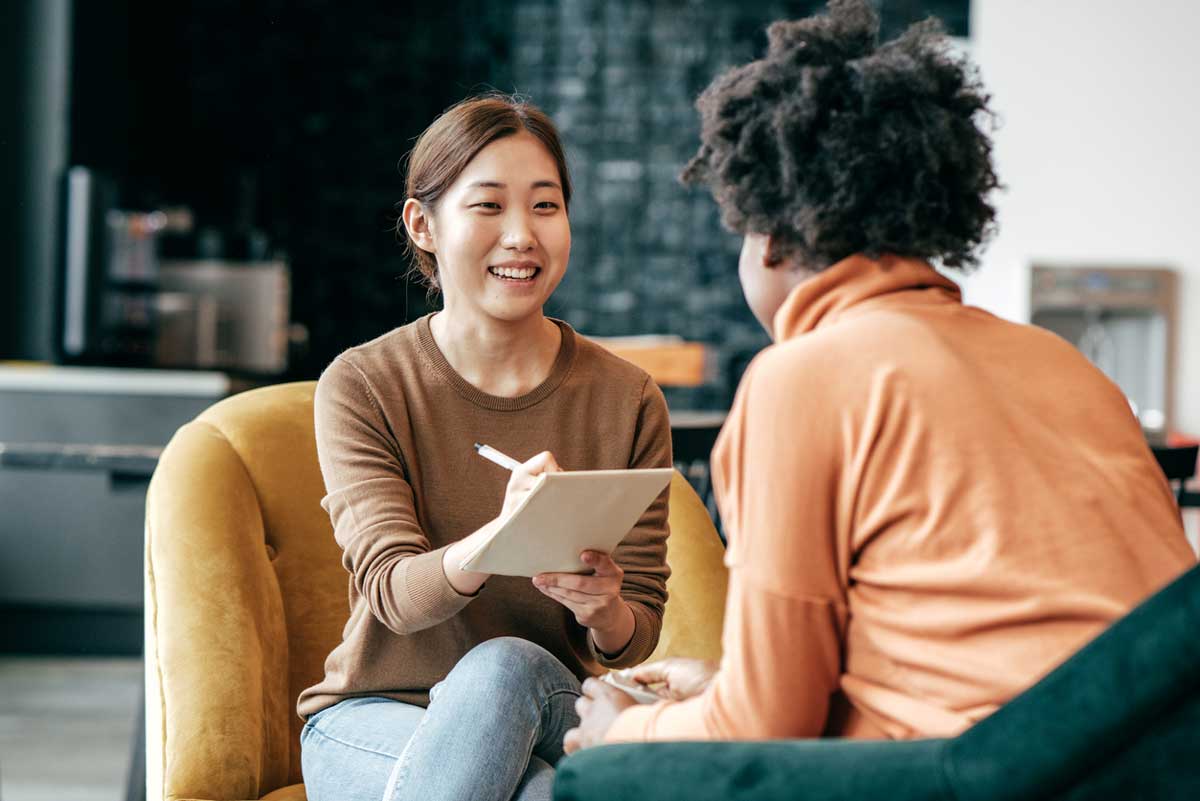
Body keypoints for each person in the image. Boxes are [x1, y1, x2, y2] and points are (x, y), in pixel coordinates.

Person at [565, 0, 1195, 751]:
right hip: (1162, 755)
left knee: (612, 771)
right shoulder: (1063, 362)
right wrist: (720, 682)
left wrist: (626, 730)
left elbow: (770, 725)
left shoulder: (800, 379)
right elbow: (957, 639)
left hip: (1005, 770)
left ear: (767, 239)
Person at [297, 94, 672, 801]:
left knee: (507, 666)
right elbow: (392, 594)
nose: (522, 235)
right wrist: (505, 536)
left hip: (550, 705)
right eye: (489, 206)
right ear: (423, 223)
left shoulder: (627, 397)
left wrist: (604, 606)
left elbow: (637, 630)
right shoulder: (364, 383)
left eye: (545, 205)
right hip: (375, 718)